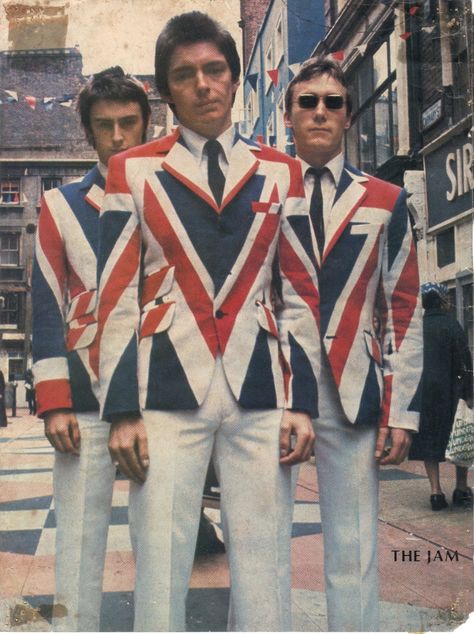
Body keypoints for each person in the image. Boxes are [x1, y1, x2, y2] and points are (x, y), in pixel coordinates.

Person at [97, 11, 320, 631]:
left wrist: (302, 401)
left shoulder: (283, 170)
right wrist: (120, 411)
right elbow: (114, 298)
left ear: (233, 76)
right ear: (167, 91)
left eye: (215, 69)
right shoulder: (132, 170)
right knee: (162, 559)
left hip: (261, 388)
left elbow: (300, 293)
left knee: (266, 563)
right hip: (164, 386)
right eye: (185, 75)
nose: (203, 84)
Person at [284, 57, 423, 631]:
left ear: (348, 117)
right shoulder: (261, 192)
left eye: (333, 102)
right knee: (260, 545)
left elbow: (404, 306)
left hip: (355, 391)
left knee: (354, 548)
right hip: (273, 390)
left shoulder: (386, 199)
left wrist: (403, 410)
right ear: (289, 115)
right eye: (307, 101)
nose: (320, 111)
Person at [32, 66, 150, 631]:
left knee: (162, 540)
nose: (119, 137)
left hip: (159, 390)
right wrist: (53, 400)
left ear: (148, 123)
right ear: (88, 132)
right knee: (79, 541)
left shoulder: (169, 198)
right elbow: (46, 305)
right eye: (105, 126)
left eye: (130, 123)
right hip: (82, 394)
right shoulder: (59, 205)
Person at [409, 282, 473, 510]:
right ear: (444, 300)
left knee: (429, 441)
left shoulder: (417, 328)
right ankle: (461, 488)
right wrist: (469, 392)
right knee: (459, 437)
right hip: (450, 394)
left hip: (423, 395)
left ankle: (436, 493)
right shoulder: (451, 325)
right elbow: (464, 362)